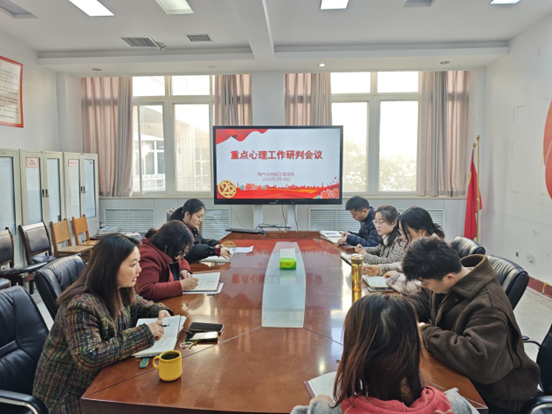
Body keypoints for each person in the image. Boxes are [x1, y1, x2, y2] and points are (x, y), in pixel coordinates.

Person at [33, 234, 172, 414]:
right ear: (111, 267)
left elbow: (138, 305)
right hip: (70, 398)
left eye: (139, 262)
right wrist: (144, 334)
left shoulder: (118, 289)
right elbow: (90, 357)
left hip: (99, 381)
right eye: (133, 264)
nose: (139, 270)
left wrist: (160, 310)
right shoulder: (81, 306)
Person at [402, 237, 540, 414]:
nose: (424, 286)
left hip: (497, 393)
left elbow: (478, 360)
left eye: (426, 282)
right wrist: (401, 311)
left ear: (449, 278)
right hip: (465, 371)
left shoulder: (489, 306)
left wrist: (426, 332)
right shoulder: (448, 276)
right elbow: (424, 297)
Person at [291, 295, 478, 414]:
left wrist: (318, 406)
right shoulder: (457, 407)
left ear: (355, 355)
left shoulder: (328, 411)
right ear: (416, 348)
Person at [364, 206, 445, 294]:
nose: (402, 237)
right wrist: (381, 268)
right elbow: (405, 265)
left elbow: (422, 286)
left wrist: (395, 277)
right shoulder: (424, 246)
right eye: (401, 232)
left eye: (406, 233)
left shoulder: (435, 252)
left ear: (421, 231)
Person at [136, 220, 198, 301]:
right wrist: (181, 285)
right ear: (167, 245)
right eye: (181, 251)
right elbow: (146, 290)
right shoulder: (148, 255)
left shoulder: (165, 248)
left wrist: (184, 270)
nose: (183, 255)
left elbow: (182, 259)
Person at [170, 198, 232, 263]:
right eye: (198, 216)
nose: (201, 220)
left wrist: (214, 244)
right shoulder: (177, 230)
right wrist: (213, 251)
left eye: (202, 217)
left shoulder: (190, 227)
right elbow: (190, 251)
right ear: (187, 214)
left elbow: (199, 240)